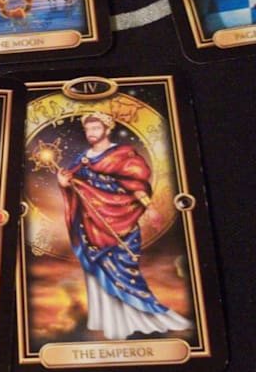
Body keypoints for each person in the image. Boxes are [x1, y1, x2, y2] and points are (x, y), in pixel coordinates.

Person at [56, 112, 192, 340]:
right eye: (88, 129)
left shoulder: (123, 155)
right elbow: (72, 183)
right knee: (98, 270)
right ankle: (110, 322)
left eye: (96, 128)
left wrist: (150, 208)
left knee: (125, 271)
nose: (91, 133)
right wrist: (64, 183)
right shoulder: (81, 159)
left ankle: (145, 317)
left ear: (107, 129)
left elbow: (136, 185)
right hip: (91, 225)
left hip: (121, 223)